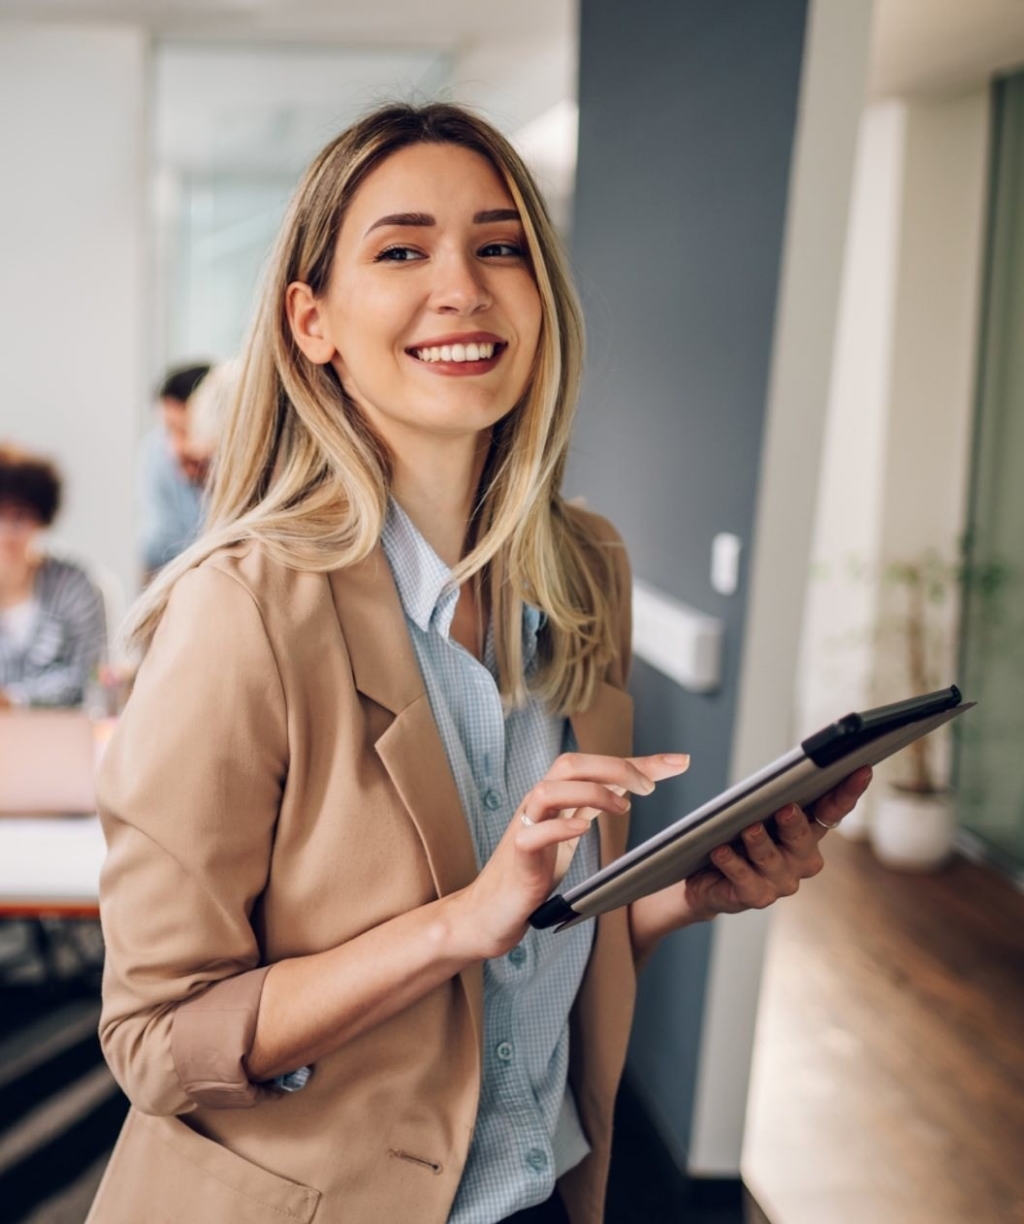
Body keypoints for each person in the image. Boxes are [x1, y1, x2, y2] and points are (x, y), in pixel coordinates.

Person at [88, 103, 871, 1224]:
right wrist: (460, 918)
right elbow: (158, 1043)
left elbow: (527, 956)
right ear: (313, 321)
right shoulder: (241, 612)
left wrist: (670, 897)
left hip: (541, 1191)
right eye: (401, 250)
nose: (460, 285)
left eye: (499, 245)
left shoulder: (585, 565)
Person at [0, 444, 107, 708]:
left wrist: (14, 700)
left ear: (40, 520)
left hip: (62, 739)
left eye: (18, 518)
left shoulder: (74, 587)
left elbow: (90, 676)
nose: (5, 535)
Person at [136, 362, 211, 579]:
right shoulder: (156, 453)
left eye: (187, 431)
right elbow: (156, 547)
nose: (177, 448)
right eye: (170, 430)